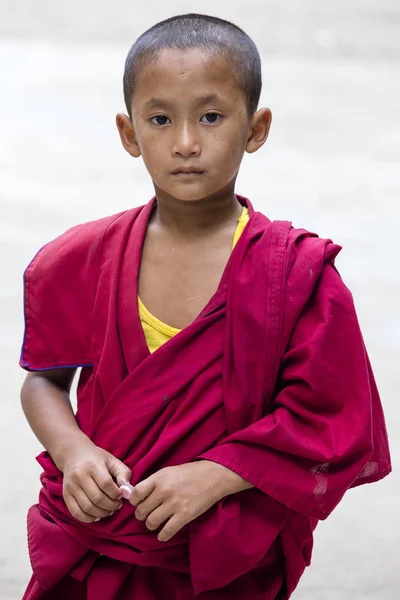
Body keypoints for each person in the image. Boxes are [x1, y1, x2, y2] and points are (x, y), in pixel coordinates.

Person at [19, 12, 391, 600]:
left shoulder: (295, 275)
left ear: (256, 128)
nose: (186, 143)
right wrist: (74, 452)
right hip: (99, 534)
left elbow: (330, 421)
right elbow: (44, 382)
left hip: (219, 553)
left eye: (211, 117)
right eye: (160, 119)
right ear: (129, 133)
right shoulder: (80, 259)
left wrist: (219, 475)